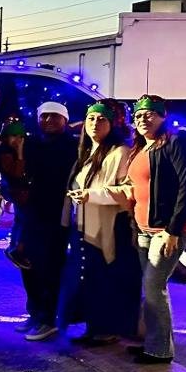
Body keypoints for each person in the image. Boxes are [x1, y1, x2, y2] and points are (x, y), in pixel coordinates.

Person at [120, 95, 186, 364]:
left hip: (165, 230)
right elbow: (136, 190)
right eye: (138, 115)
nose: (143, 119)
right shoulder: (140, 148)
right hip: (142, 229)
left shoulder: (175, 143)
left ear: (163, 116)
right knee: (150, 286)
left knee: (154, 286)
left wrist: (173, 230)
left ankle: (160, 350)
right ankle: (152, 342)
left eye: (150, 114)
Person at [57, 101, 135, 346]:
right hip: (81, 225)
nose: (94, 124)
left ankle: (106, 330)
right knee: (87, 278)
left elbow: (128, 191)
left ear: (112, 124)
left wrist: (93, 196)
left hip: (105, 227)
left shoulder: (119, 152)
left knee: (103, 278)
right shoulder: (87, 151)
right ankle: (93, 327)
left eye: (101, 120)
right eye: (90, 119)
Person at [17, 101, 77, 342]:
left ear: (65, 120)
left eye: (55, 117)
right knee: (28, 266)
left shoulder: (72, 146)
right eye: (44, 117)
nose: (49, 121)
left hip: (56, 217)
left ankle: (48, 319)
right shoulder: (32, 143)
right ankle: (34, 313)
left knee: (50, 268)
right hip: (30, 214)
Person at [0, 116, 31, 269]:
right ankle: (16, 248)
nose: (17, 140)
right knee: (23, 218)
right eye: (14, 136)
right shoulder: (5, 153)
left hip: (20, 190)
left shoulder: (17, 150)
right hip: (13, 190)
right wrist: (19, 154)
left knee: (22, 218)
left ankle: (18, 247)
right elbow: (16, 173)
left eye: (20, 136)